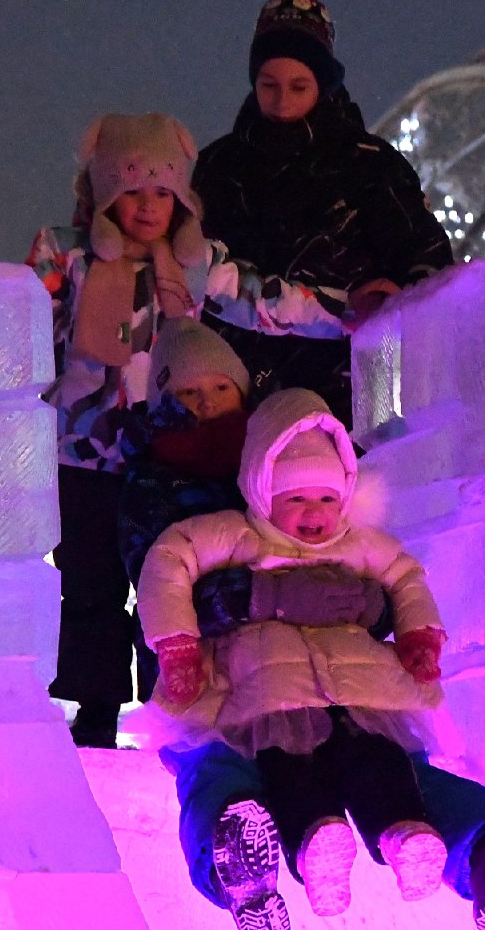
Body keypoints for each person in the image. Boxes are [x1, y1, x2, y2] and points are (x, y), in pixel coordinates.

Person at [118, 343, 485, 930]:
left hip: (344, 689)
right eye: (187, 393)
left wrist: (395, 620)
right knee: (226, 776)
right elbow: (160, 565)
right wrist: (219, 620)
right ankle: (238, 868)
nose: (206, 403)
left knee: (402, 775)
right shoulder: (160, 479)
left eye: (221, 389)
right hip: (234, 682)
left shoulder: (327, 496)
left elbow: (398, 576)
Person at [28, 114, 328, 747]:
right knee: (92, 584)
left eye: (162, 193)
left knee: (172, 582)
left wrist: (351, 311)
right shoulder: (70, 257)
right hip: (87, 451)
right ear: (103, 195)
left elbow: (267, 302)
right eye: (131, 192)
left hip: (176, 453)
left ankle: (170, 704)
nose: (146, 207)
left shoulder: (195, 268)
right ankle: (98, 707)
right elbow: (15, 317)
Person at [193, 0, 455, 421]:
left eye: (298, 86)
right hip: (228, 396)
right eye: (268, 84)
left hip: (345, 394)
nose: (280, 101)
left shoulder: (371, 167)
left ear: (324, 84)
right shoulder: (218, 167)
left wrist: (394, 299)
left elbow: (428, 263)